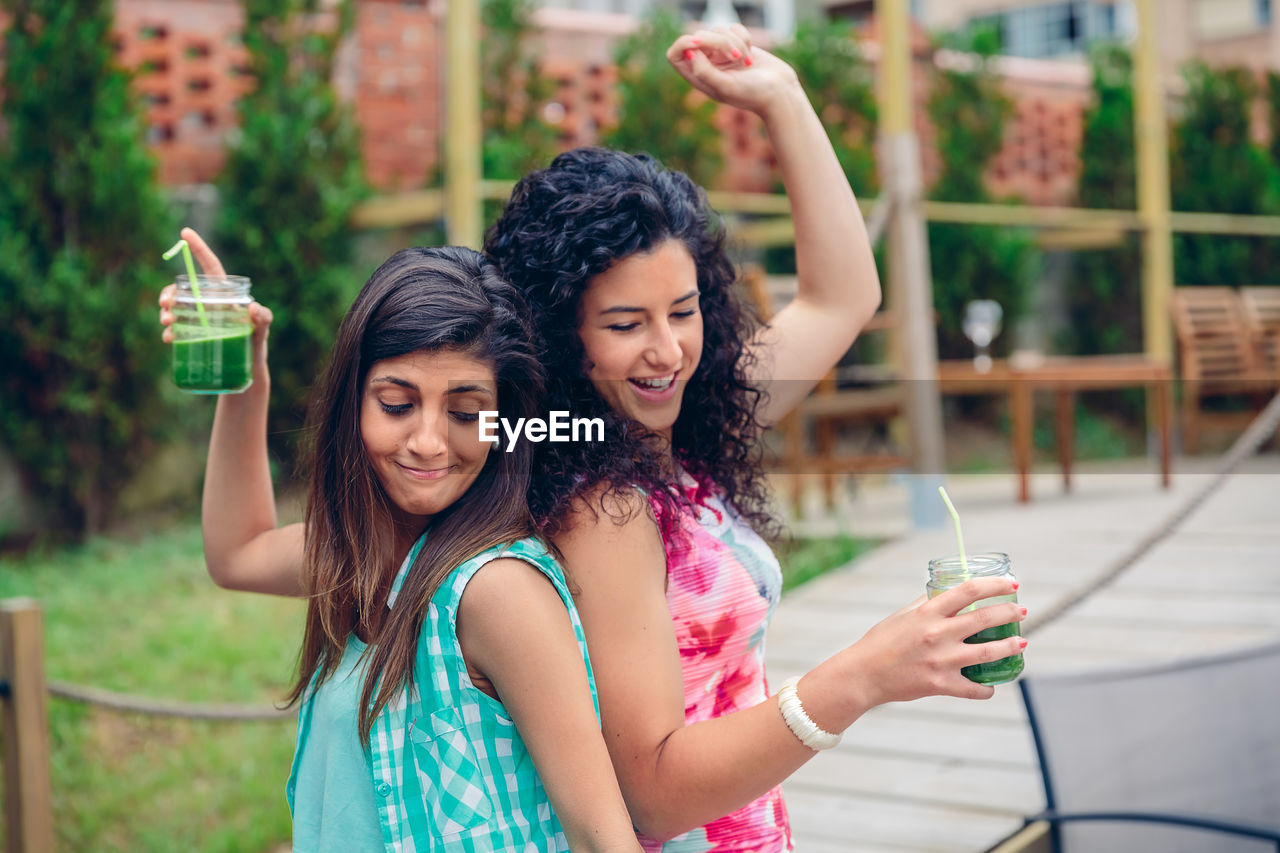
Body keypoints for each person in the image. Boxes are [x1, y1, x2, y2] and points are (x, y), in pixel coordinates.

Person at [480, 26, 1028, 851]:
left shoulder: (675, 434)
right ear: (558, 336)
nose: (667, 350)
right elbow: (654, 794)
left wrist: (783, 99)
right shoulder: (602, 505)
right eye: (626, 323)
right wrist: (864, 673)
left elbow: (842, 298)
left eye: (684, 309)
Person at [158, 231, 641, 853]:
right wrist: (246, 378)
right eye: (396, 404)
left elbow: (604, 838)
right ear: (351, 402)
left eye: (466, 414)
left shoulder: (495, 592)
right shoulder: (359, 555)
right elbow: (238, 552)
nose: (430, 442)